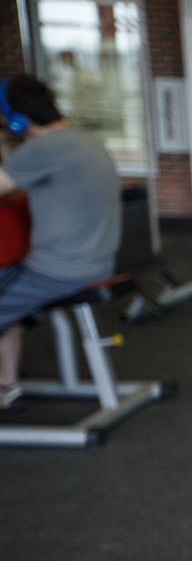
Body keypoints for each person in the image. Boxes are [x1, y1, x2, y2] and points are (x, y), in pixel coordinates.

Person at [0, 75, 120, 408]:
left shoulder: (42, 149)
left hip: (58, 270)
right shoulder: (84, 139)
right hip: (97, 261)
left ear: (17, 119)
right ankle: (5, 384)